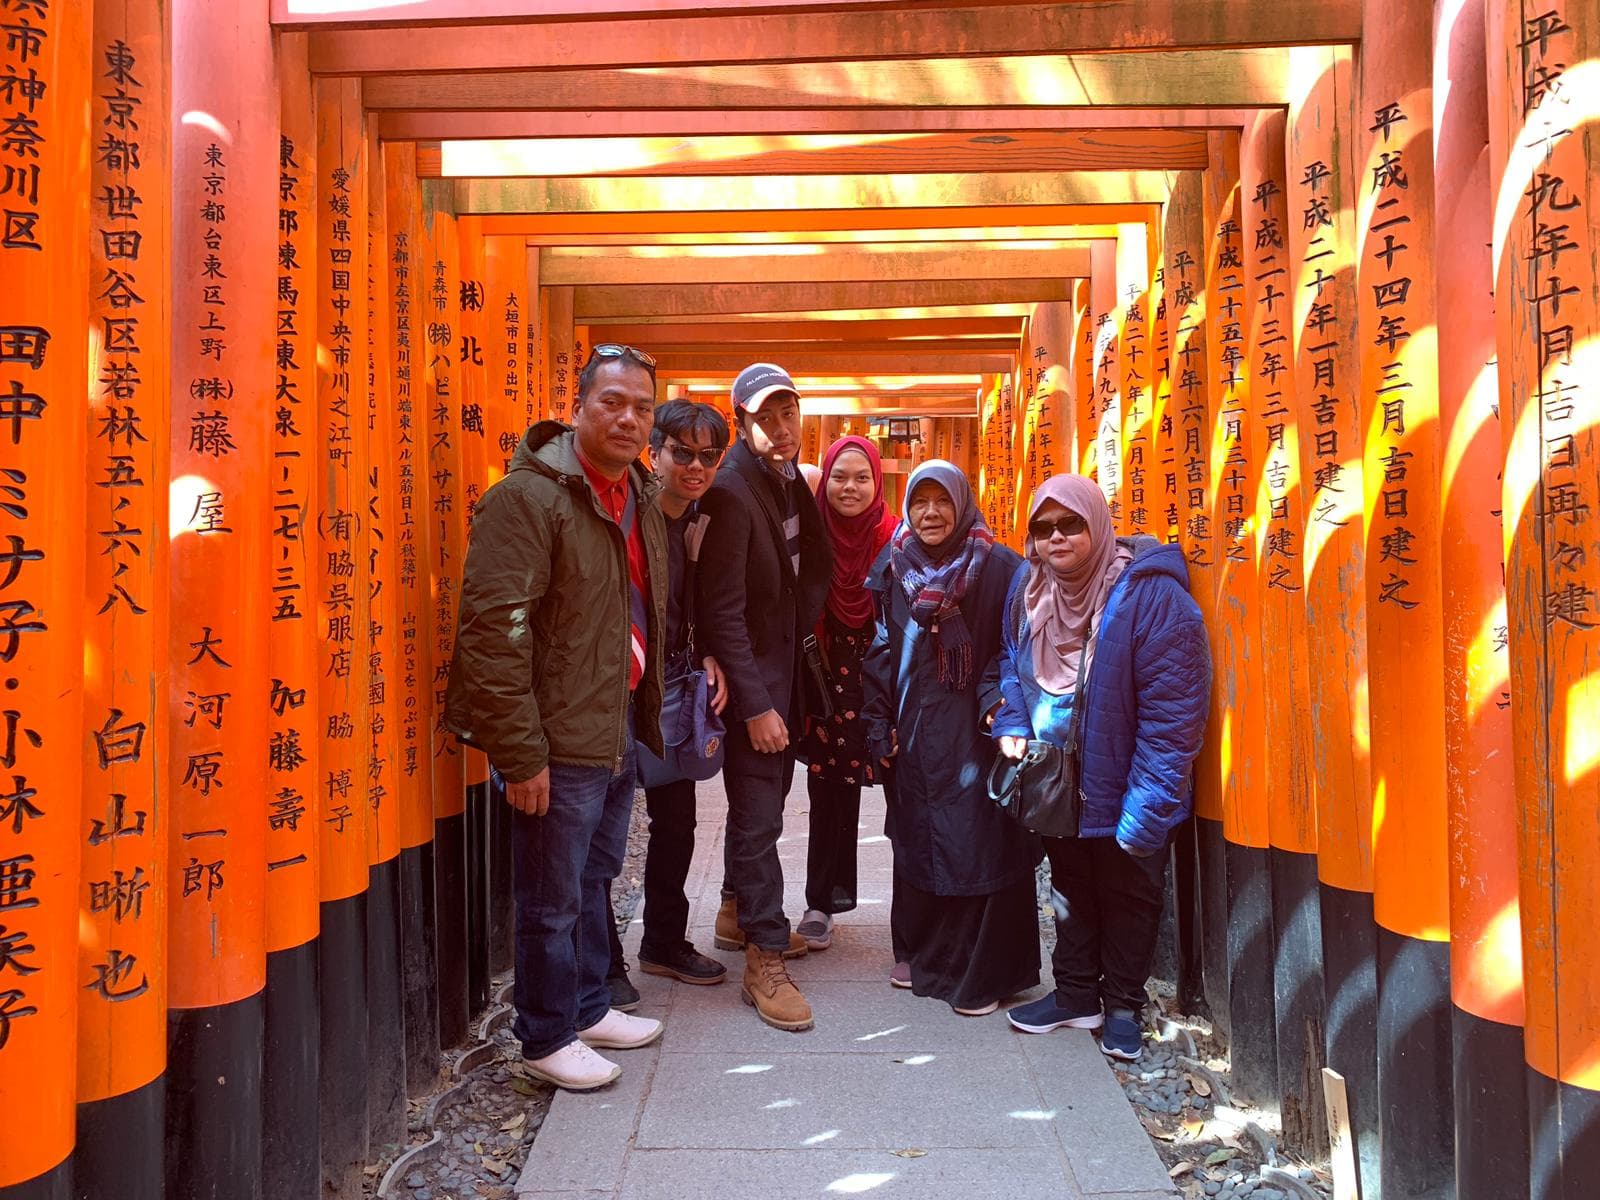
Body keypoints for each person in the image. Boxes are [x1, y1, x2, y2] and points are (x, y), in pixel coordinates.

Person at [444, 344, 668, 1092]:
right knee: (550, 898)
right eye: (612, 401)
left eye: (642, 406)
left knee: (596, 876)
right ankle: (543, 1036)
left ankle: (586, 1005)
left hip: (612, 728)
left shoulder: (636, 491)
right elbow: (492, 630)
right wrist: (521, 753)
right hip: (557, 740)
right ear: (577, 407)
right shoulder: (528, 499)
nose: (628, 418)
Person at [993, 474, 1210, 1060]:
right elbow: (1011, 667)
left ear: (1098, 523)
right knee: (1070, 887)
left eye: (1071, 524)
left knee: (1129, 895)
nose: (1056, 538)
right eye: (1043, 528)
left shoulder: (1152, 598)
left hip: (1126, 780)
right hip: (1057, 779)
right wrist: (1013, 723)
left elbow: (1174, 716)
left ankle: (1121, 1006)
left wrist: (1147, 806)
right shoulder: (1030, 588)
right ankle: (1073, 994)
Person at [862, 461, 1039, 1016]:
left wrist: (1004, 710)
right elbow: (880, 647)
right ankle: (925, 954)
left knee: (979, 844)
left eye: (942, 501)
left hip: (979, 729)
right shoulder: (895, 566)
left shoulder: (1001, 567)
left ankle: (985, 973)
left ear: (963, 504)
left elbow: (1020, 649)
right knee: (921, 837)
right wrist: (877, 720)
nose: (931, 513)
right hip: (915, 731)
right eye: (920, 502)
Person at [697, 362, 832, 1031]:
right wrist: (755, 705)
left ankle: (732, 908)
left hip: (783, 675)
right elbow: (720, 613)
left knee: (767, 803)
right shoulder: (730, 491)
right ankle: (763, 956)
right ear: (740, 423)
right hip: (757, 686)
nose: (782, 429)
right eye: (766, 418)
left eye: (789, 414)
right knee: (758, 819)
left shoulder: (781, 482)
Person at [605, 401, 733, 997]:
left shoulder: (700, 519)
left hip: (670, 689)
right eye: (683, 451)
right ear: (653, 451)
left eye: (709, 455)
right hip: (613, 691)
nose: (696, 465)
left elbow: (696, 607)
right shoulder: (627, 519)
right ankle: (602, 963)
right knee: (600, 830)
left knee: (676, 820)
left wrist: (706, 649)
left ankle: (662, 939)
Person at [794, 436, 899, 951]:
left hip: (886, 681)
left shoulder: (895, 538)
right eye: (840, 477)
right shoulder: (810, 535)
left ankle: (918, 909)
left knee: (908, 796)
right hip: (827, 678)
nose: (850, 488)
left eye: (861, 478)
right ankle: (821, 901)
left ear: (877, 481)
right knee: (829, 792)